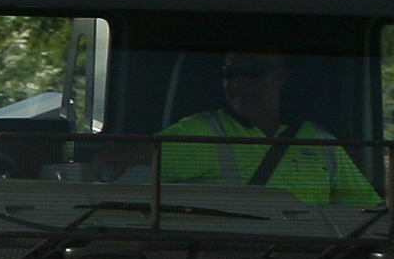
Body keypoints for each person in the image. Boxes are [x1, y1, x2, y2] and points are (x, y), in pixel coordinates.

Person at [159, 52, 378, 204]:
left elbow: (368, 212)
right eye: (230, 73)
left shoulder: (320, 141)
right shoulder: (201, 132)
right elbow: (132, 160)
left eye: (253, 73)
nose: (238, 83)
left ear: (280, 77)